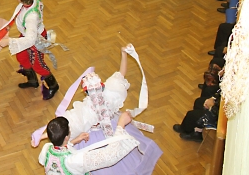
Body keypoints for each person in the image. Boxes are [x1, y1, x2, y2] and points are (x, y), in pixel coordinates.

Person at [32, 45, 163, 174]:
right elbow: (121, 74)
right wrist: (123, 54)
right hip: (112, 132)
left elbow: (67, 127)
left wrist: (42, 136)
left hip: (91, 139)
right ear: (102, 85)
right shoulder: (110, 95)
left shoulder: (84, 112)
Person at [0, 0, 60, 100]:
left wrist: (8, 41)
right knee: (22, 57)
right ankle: (32, 80)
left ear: (22, 0)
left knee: (38, 65)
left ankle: (53, 86)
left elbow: (30, 40)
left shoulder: (31, 17)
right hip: (27, 34)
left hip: (35, 39)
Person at [38, 112, 140, 175]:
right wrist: (121, 124)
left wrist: (74, 141)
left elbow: (58, 154)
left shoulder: (46, 148)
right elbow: (110, 156)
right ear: (66, 137)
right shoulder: (75, 160)